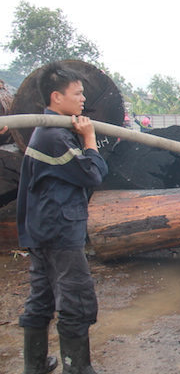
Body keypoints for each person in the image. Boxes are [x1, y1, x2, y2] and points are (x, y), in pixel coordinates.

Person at [16, 62, 108, 374]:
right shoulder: (55, 136)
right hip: (59, 231)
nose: (83, 99)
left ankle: (36, 364)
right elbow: (93, 174)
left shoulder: (44, 131)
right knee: (76, 299)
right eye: (78, 93)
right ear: (56, 97)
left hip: (42, 228)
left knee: (41, 296)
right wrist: (90, 139)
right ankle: (77, 367)